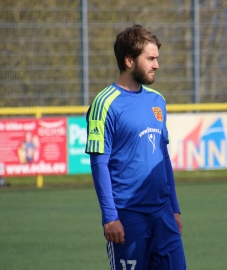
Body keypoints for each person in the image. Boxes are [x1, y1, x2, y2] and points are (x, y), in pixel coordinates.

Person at [85, 24, 186, 270]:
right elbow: (99, 164)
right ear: (129, 60)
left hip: (163, 215)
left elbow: (164, 158)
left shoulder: (158, 101)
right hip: (128, 216)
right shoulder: (104, 103)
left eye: (157, 58)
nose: (156, 65)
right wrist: (110, 217)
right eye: (150, 59)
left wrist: (174, 208)